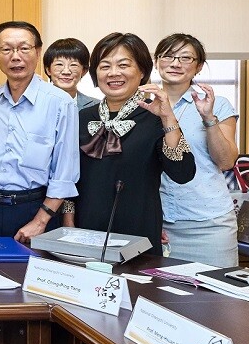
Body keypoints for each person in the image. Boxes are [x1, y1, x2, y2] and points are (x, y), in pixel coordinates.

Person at [63, 33, 196, 254]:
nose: (113, 73)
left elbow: (183, 173)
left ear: (142, 71)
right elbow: (69, 178)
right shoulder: (82, 117)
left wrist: (168, 118)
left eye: (123, 65)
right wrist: (68, 223)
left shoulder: (156, 116)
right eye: (104, 66)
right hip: (85, 231)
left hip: (138, 232)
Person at [0, 21, 79, 242]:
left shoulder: (60, 103)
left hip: (35, 208)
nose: (15, 56)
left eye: (24, 48)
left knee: (33, 276)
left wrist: (40, 221)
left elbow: (65, 174)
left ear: (38, 52)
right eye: (6, 49)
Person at [154, 33, 238, 266]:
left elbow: (226, 161)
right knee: (161, 298)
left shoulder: (217, 104)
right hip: (158, 225)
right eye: (168, 55)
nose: (175, 63)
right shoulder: (144, 105)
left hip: (209, 225)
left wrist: (208, 118)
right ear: (156, 61)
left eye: (186, 58)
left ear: (199, 66)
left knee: (217, 299)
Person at [43, 37, 99, 110]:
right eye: (59, 64)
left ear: (84, 71)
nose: (66, 72)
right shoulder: (37, 104)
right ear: (48, 70)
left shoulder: (96, 106)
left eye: (73, 65)